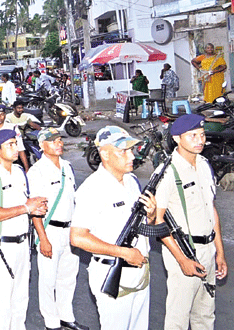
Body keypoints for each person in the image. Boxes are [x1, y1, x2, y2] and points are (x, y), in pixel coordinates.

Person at [71, 125, 158, 330]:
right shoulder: (92, 188)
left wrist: (152, 215)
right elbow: (77, 237)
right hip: (112, 272)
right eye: (123, 151)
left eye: (131, 150)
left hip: (139, 272)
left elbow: (144, 226)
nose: (131, 156)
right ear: (105, 154)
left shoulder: (131, 182)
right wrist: (122, 252)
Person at [154, 114, 228, 330]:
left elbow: (211, 210)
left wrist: (220, 253)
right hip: (183, 252)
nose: (200, 140)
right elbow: (159, 223)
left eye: (202, 134)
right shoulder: (167, 172)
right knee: (178, 318)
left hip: (208, 250)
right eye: (193, 135)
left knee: (205, 315)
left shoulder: (204, 165)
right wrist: (182, 260)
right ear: (177, 138)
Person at [0, 129, 48, 330]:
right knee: (3, 299)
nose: (16, 148)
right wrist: (26, 207)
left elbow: (25, 203)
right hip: (2, 244)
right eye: (10, 145)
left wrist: (35, 206)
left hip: (23, 242)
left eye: (16, 143)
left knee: (20, 296)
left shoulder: (18, 172)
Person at [28, 128, 87, 330]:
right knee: (48, 279)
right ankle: (51, 322)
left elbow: (74, 199)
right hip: (50, 230)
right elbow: (36, 210)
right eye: (53, 141)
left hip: (69, 230)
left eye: (60, 140)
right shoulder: (37, 171)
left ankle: (66, 315)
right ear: (42, 146)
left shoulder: (67, 167)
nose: (59, 143)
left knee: (68, 277)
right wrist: (43, 239)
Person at [0, 104, 29, 170]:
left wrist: (26, 169)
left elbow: (20, 149)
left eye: (2, 114)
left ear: (5, 116)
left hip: (10, 163)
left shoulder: (12, 128)